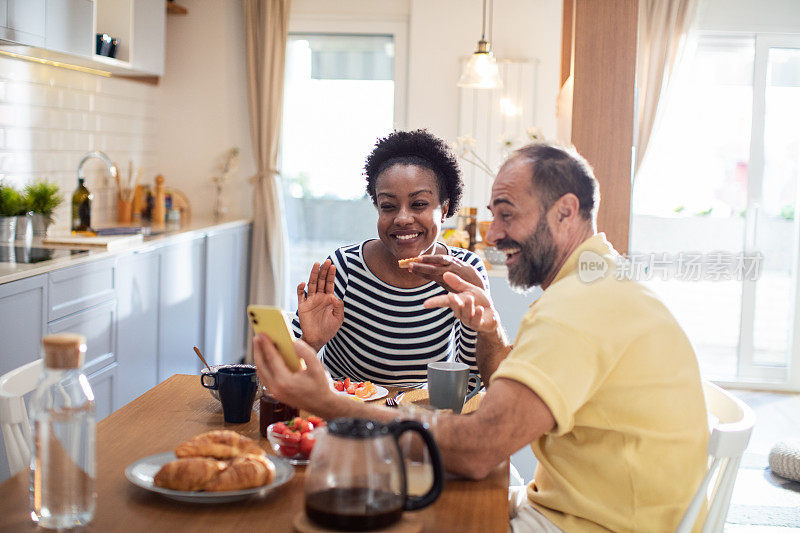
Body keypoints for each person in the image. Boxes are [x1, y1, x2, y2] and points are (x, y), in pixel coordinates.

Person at [256, 142, 709, 532]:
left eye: (507, 216)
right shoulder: (597, 283)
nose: (492, 236)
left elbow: (476, 450)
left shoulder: (577, 309)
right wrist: (490, 326)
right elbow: (499, 405)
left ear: (565, 212)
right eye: (495, 216)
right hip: (582, 506)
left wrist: (332, 404)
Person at [290, 129, 489, 387]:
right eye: (388, 206)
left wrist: (479, 319)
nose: (403, 218)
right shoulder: (344, 268)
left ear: (445, 210)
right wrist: (310, 343)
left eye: (419, 204)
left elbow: (472, 384)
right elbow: (280, 377)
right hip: (345, 414)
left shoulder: (466, 270)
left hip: (422, 415)